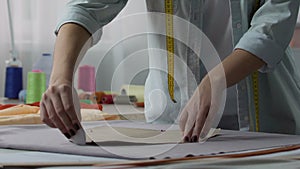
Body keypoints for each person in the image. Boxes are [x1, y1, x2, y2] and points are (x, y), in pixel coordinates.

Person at [40, 0, 300, 142]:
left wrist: (215, 80)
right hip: (171, 129)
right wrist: (60, 77)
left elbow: (270, 29)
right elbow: (86, 7)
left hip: (265, 130)